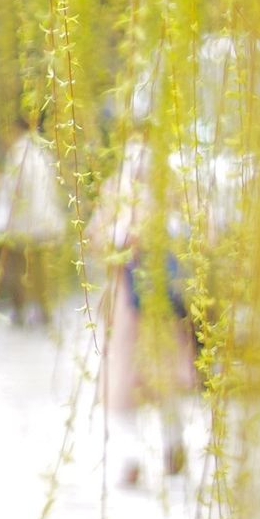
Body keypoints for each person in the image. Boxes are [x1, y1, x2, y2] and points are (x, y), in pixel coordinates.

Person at [86, 142, 198, 487]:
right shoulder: (118, 191)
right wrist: (124, 242)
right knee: (126, 381)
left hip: (159, 301)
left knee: (163, 376)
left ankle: (172, 446)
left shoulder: (173, 188)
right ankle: (133, 456)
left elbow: (196, 232)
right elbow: (97, 237)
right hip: (129, 302)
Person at [0, 126, 66, 325]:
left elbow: (16, 189)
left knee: (15, 267)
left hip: (21, 223)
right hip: (42, 220)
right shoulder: (42, 151)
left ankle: (20, 310)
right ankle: (44, 309)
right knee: (40, 269)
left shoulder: (18, 154)